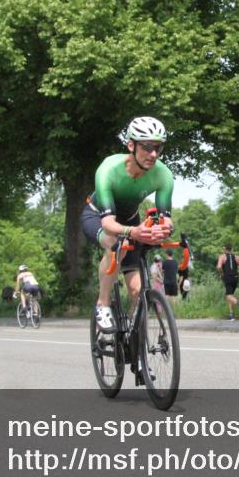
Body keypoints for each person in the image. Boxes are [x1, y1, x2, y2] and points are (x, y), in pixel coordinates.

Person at [80, 117, 174, 332]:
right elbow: (108, 223)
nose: (153, 154)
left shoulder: (164, 174)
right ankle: (103, 304)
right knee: (115, 244)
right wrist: (134, 232)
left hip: (131, 219)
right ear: (131, 145)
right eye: (147, 147)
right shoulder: (108, 170)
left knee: (137, 291)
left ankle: (133, 336)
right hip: (97, 217)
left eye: (158, 148)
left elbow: (165, 217)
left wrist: (165, 228)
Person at [216, 244, 239, 320]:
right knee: (231, 295)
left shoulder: (222, 256)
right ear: (231, 249)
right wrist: (238, 272)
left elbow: (219, 267)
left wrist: (222, 273)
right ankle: (231, 314)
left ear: (225, 249)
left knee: (228, 296)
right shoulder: (237, 257)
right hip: (235, 278)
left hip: (228, 277)